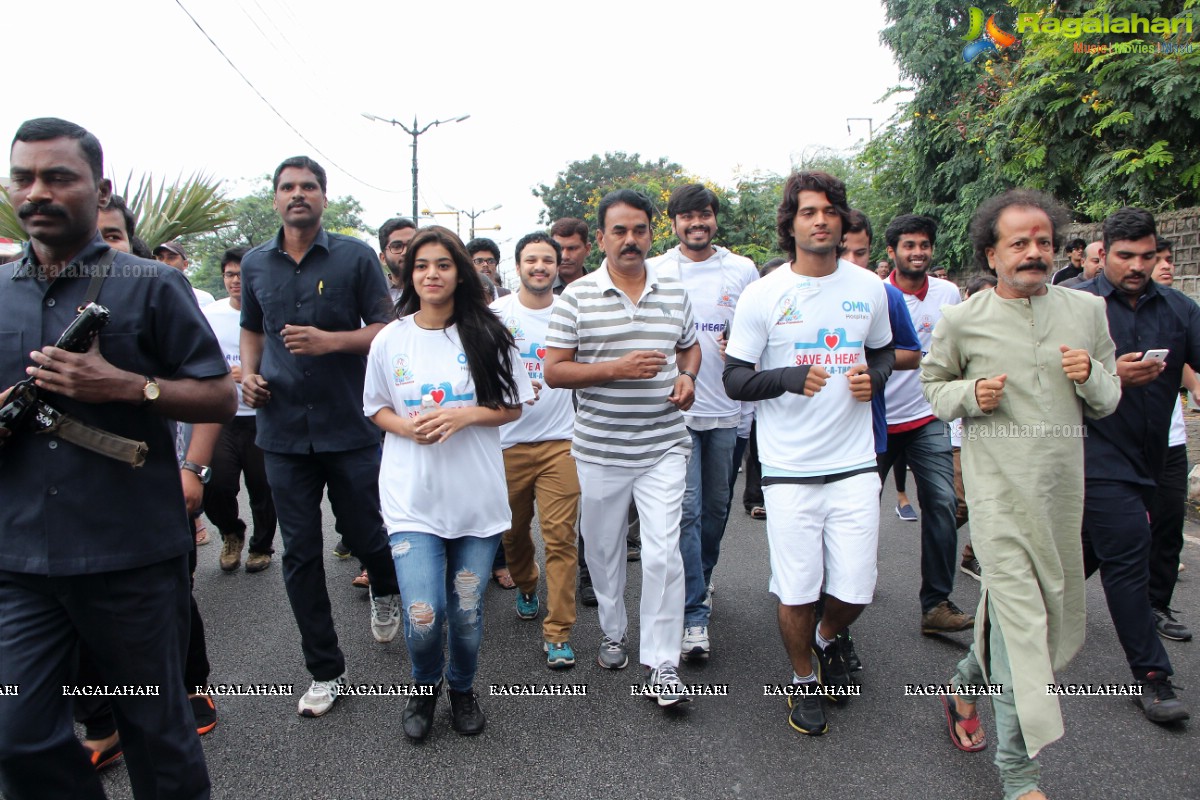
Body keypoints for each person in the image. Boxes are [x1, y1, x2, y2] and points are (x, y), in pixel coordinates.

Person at [0, 116, 236, 799]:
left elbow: (220, 396)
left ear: (97, 188)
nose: (38, 191)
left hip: (129, 557)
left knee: (158, 734)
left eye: (58, 177)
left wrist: (130, 387)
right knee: (15, 733)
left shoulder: (150, 285)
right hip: (18, 562)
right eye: (24, 178)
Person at [922, 188, 1120, 800]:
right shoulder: (964, 317)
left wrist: (1092, 378)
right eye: (1020, 244)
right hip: (998, 496)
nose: (1035, 253)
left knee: (1027, 622)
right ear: (991, 253)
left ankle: (962, 682)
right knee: (1021, 634)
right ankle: (1020, 776)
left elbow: (1110, 400)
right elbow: (934, 388)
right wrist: (970, 393)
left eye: (1044, 242)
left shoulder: (1086, 313)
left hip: (1061, 495)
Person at [724, 171, 894, 735]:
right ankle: (802, 681)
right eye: (807, 212)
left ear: (842, 219)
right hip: (790, 470)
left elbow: (886, 353)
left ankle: (828, 637)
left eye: (828, 211)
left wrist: (875, 374)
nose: (819, 220)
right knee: (797, 589)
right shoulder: (764, 293)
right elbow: (735, 380)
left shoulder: (868, 287)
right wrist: (789, 378)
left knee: (856, 588)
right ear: (791, 223)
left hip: (854, 463)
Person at [238, 155, 403, 718]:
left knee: (367, 533)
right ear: (276, 197)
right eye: (287, 187)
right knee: (300, 553)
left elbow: (385, 330)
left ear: (324, 196)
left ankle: (385, 586)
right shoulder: (258, 264)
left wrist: (330, 342)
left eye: (308, 186)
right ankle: (324, 669)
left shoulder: (356, 257)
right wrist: (249, 375)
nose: (297, 195)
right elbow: (251, 331)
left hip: (349, 424)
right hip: (281, 431)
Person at [364, 226, 532, 740]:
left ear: (459, 271)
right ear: (407, 275)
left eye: (442, 264)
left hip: (475, 502)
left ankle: (462, 688)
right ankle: (422, 686)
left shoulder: (488, 333)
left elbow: (513, 405)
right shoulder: (390, 338)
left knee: (463, 611)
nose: (431, 274)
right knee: (423, 613)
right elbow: (376, 407)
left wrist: (462, 416)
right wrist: (406, 427)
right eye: (421, 266)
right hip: (411, 499)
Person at [545, 188, 701, 708]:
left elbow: (690, 345)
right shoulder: (576, 297)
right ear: (603, 238)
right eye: (619, 231)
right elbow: (554, 370)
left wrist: (687, 377)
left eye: (638, 230)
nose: (630, 240)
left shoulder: (675, 291)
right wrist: (616, 368)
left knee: (662, 552)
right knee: (605, 549)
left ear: (651, 233)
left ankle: (662, 662)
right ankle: (613, 631)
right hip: (600, 450)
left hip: (662, 445)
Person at [1077, 207, 1194, 723]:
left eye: (1148, 256)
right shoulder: (1075, 307)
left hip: (1154, 458)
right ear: (1103, 252)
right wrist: (1109, 376)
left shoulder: (1179, 310)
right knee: (1128, 559)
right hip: (1091, 456)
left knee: (1056, 577)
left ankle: (984, 655)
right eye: (1126, 256)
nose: (1137, 266)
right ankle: (1153, 676)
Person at [647, 183, 758, 661]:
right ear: (674, 224)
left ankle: (702, 580)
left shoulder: (742, 270)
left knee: (715, 511)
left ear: (714, 219)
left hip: (727, 412)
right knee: (687, 512)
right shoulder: (656, 270)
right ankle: (693, 616)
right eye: (687, 217)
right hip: (675, 412)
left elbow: (761, 333)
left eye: (705, 215)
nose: (697, 224)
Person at [876, 214, 973, 634]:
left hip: (927, 416)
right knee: (857, 510)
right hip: (875, 421)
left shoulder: (949, 293)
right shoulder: (875, 295)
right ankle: (845, 588)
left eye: (924, 245)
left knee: (942, 503)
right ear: (892, 252)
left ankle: (936, 604)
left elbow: (963, 347)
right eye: (909, 245)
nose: (917, 252)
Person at [492, 232, 581, 668]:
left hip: (560, 442)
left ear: (558, 265)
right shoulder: (495, 314)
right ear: (519, 266)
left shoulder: (572, 312)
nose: (540, 267)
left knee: (561, 538)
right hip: (505, 443)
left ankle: (558, 631)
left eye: (548, 259)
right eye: (532, 260)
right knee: (512, 533)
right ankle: (527, 584)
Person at [202, 247, 277, 573]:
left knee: (263, 488)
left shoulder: (271, 312)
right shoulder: (209, 315)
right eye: (231, 275)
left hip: (262, 416)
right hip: (222, 417)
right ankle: (231, 532)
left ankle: (261, 546)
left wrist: (254, 374)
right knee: (216, 487)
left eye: (243, 275)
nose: (237, 281)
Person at [1145, 237, 1192, 642]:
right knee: (1095, 533)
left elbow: (1189, 362)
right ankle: (1050, 601)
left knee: (1168, 525)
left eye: (1164, 258)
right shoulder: (1092, 305)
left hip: (1170, 440)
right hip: (1111, 440)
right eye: (1150, 258)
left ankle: (1156, 604)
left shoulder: (1180, 307)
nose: (1162, 266)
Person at [154, 240, 215, 307]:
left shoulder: (204, 299)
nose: (164, 262)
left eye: (171, 258)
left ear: (185, 264)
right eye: (160, 258)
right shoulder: (148, 298)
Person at [378, 216, 418, 304]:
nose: (405, 252)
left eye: (411, 244)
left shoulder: (433, 289)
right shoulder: (373, 293)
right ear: (383, 258)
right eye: (397, 246)